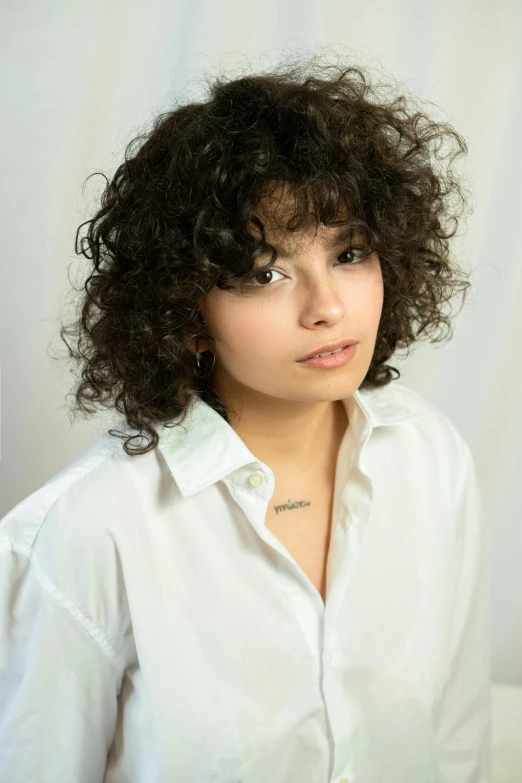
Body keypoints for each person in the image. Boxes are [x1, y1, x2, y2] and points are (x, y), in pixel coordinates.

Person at [0, 55, 491, 782]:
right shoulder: (90, 527)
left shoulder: (430, 457)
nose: (327, 305)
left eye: (349, 252)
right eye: (266, 271)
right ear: (184, 309)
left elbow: (457, 744)